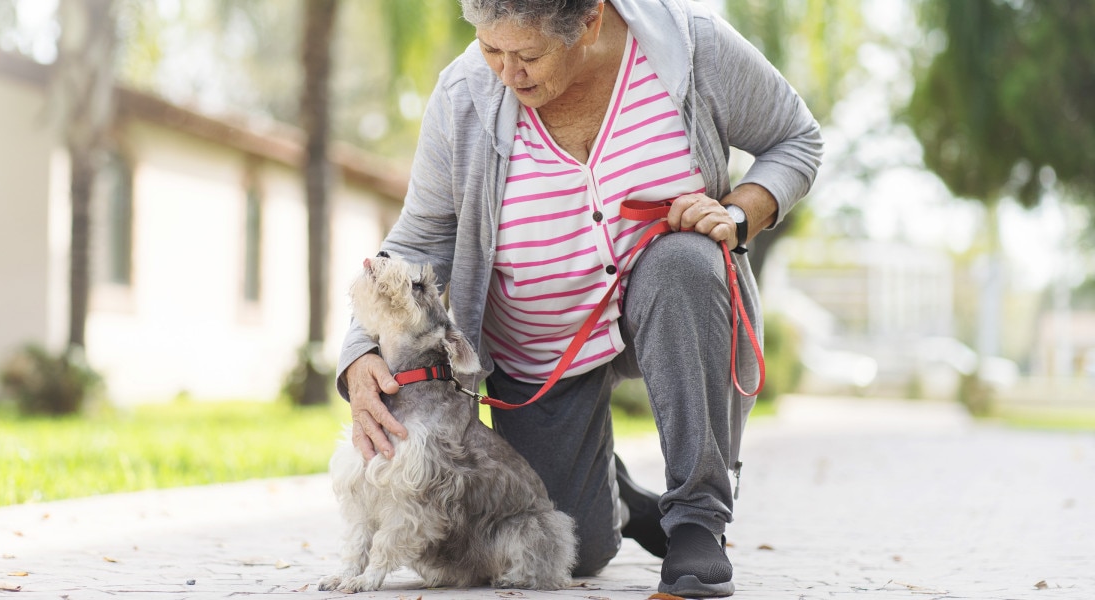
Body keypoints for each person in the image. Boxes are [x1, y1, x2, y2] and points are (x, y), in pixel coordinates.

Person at [336, 0, 822, 597]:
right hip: (538, 349)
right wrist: (360, 350)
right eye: (492, 48)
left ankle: (698, 518)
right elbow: (419, 238)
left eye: (529, 55)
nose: (506, 74)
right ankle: (613, 492)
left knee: (683, 260)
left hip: (673, 304)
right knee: (574, 548)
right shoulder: (464, 93)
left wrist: (737, 213)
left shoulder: (691, 49)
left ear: (591, 20)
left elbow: (795, 139)